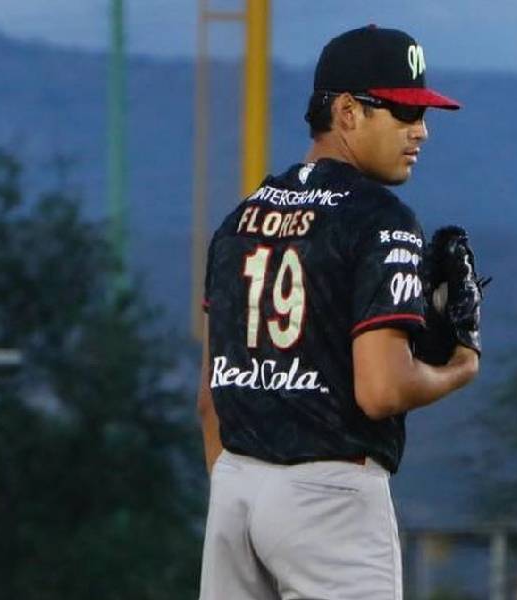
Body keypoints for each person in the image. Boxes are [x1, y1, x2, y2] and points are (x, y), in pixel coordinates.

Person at [197, 25, 486, 600]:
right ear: (348, 112)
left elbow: (209, 398)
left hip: (235, 488)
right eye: (403, 111)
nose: (421, 130)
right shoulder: (380, 218)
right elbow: (380, 391)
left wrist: (245, 486)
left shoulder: (241, 219)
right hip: (329, 493)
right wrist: (458, 366)